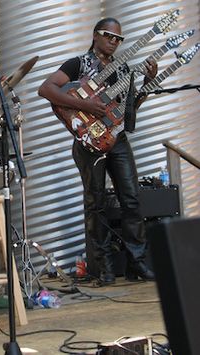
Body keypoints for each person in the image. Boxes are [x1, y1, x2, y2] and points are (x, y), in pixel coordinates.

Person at [38, 17, 157, 285]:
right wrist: (89, 108)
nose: (113, 41)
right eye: (108, 35)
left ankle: (137, 263)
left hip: (118, 139)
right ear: (95, 36)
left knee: (131, 199)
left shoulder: (123, 69)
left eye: (118, 38)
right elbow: (46, 89)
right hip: (88, 142)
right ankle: (101, 268)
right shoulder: (77, 64)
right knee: (95, 204)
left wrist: (148, 83)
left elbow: (129, 110)